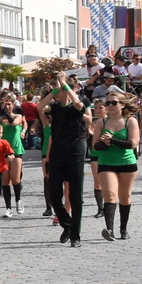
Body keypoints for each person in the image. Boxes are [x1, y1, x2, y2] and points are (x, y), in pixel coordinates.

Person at [42, 80, 89, 246]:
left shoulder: (76, 106)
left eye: (61, 90)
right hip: (57, 153)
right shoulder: (54, 107)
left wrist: (65, 85)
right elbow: (40, 106)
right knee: (54, 196)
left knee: (75, 196)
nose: (59, 92)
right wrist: (54, 91)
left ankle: (75, 236)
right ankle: (67, 224)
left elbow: (78, 104)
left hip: (75, 153)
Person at [90, 93, 140, 241]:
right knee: (110, 195)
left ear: (122, 105)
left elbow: (132, 144)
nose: (110, 106)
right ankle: (109, 230)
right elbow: (95, 146)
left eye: (114, 103)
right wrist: (104, 143)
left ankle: (123, 229)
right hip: (106, 163)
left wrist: (112, 140)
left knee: (125, 196)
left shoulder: (130, 121)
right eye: (108, 103)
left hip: (127, 163)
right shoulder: (101, 122)